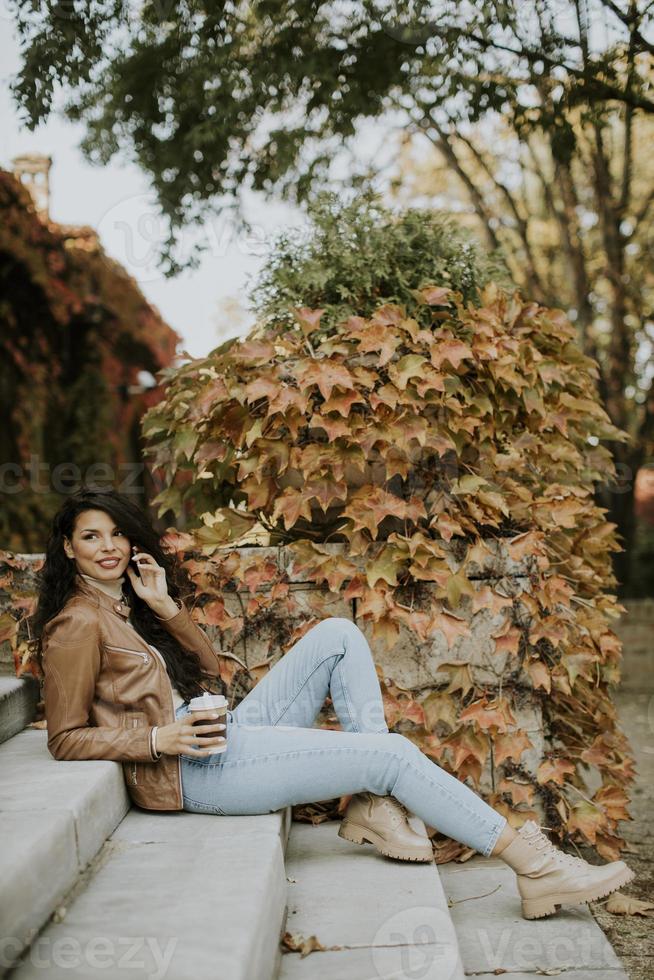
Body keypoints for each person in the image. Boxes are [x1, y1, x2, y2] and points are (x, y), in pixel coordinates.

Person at [31, 486, 634, 920]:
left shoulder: (125, 605)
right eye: (91, 536)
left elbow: (210, 671)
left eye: (116, 533)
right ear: (68, 548)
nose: (108, 546)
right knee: (391, 753)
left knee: (338, 636)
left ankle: (372, 803)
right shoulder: (76, 625)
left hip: (220, 733)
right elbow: (65, 738)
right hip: (192, 771)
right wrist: (156, 741)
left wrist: (164, 609)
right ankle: (535, 868)